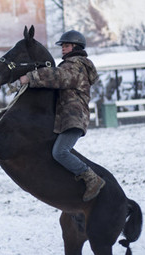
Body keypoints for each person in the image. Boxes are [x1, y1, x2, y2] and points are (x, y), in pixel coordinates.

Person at [19, 30, 104, 201]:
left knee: (60, 152)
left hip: (74, 117)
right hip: (67, 118)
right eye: (63, 46)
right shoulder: (74, 64)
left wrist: (31, 77)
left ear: (76, 47)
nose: (63, 49)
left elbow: (59, 77)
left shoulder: (75, 65)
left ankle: (91, 178)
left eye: (66, 46)